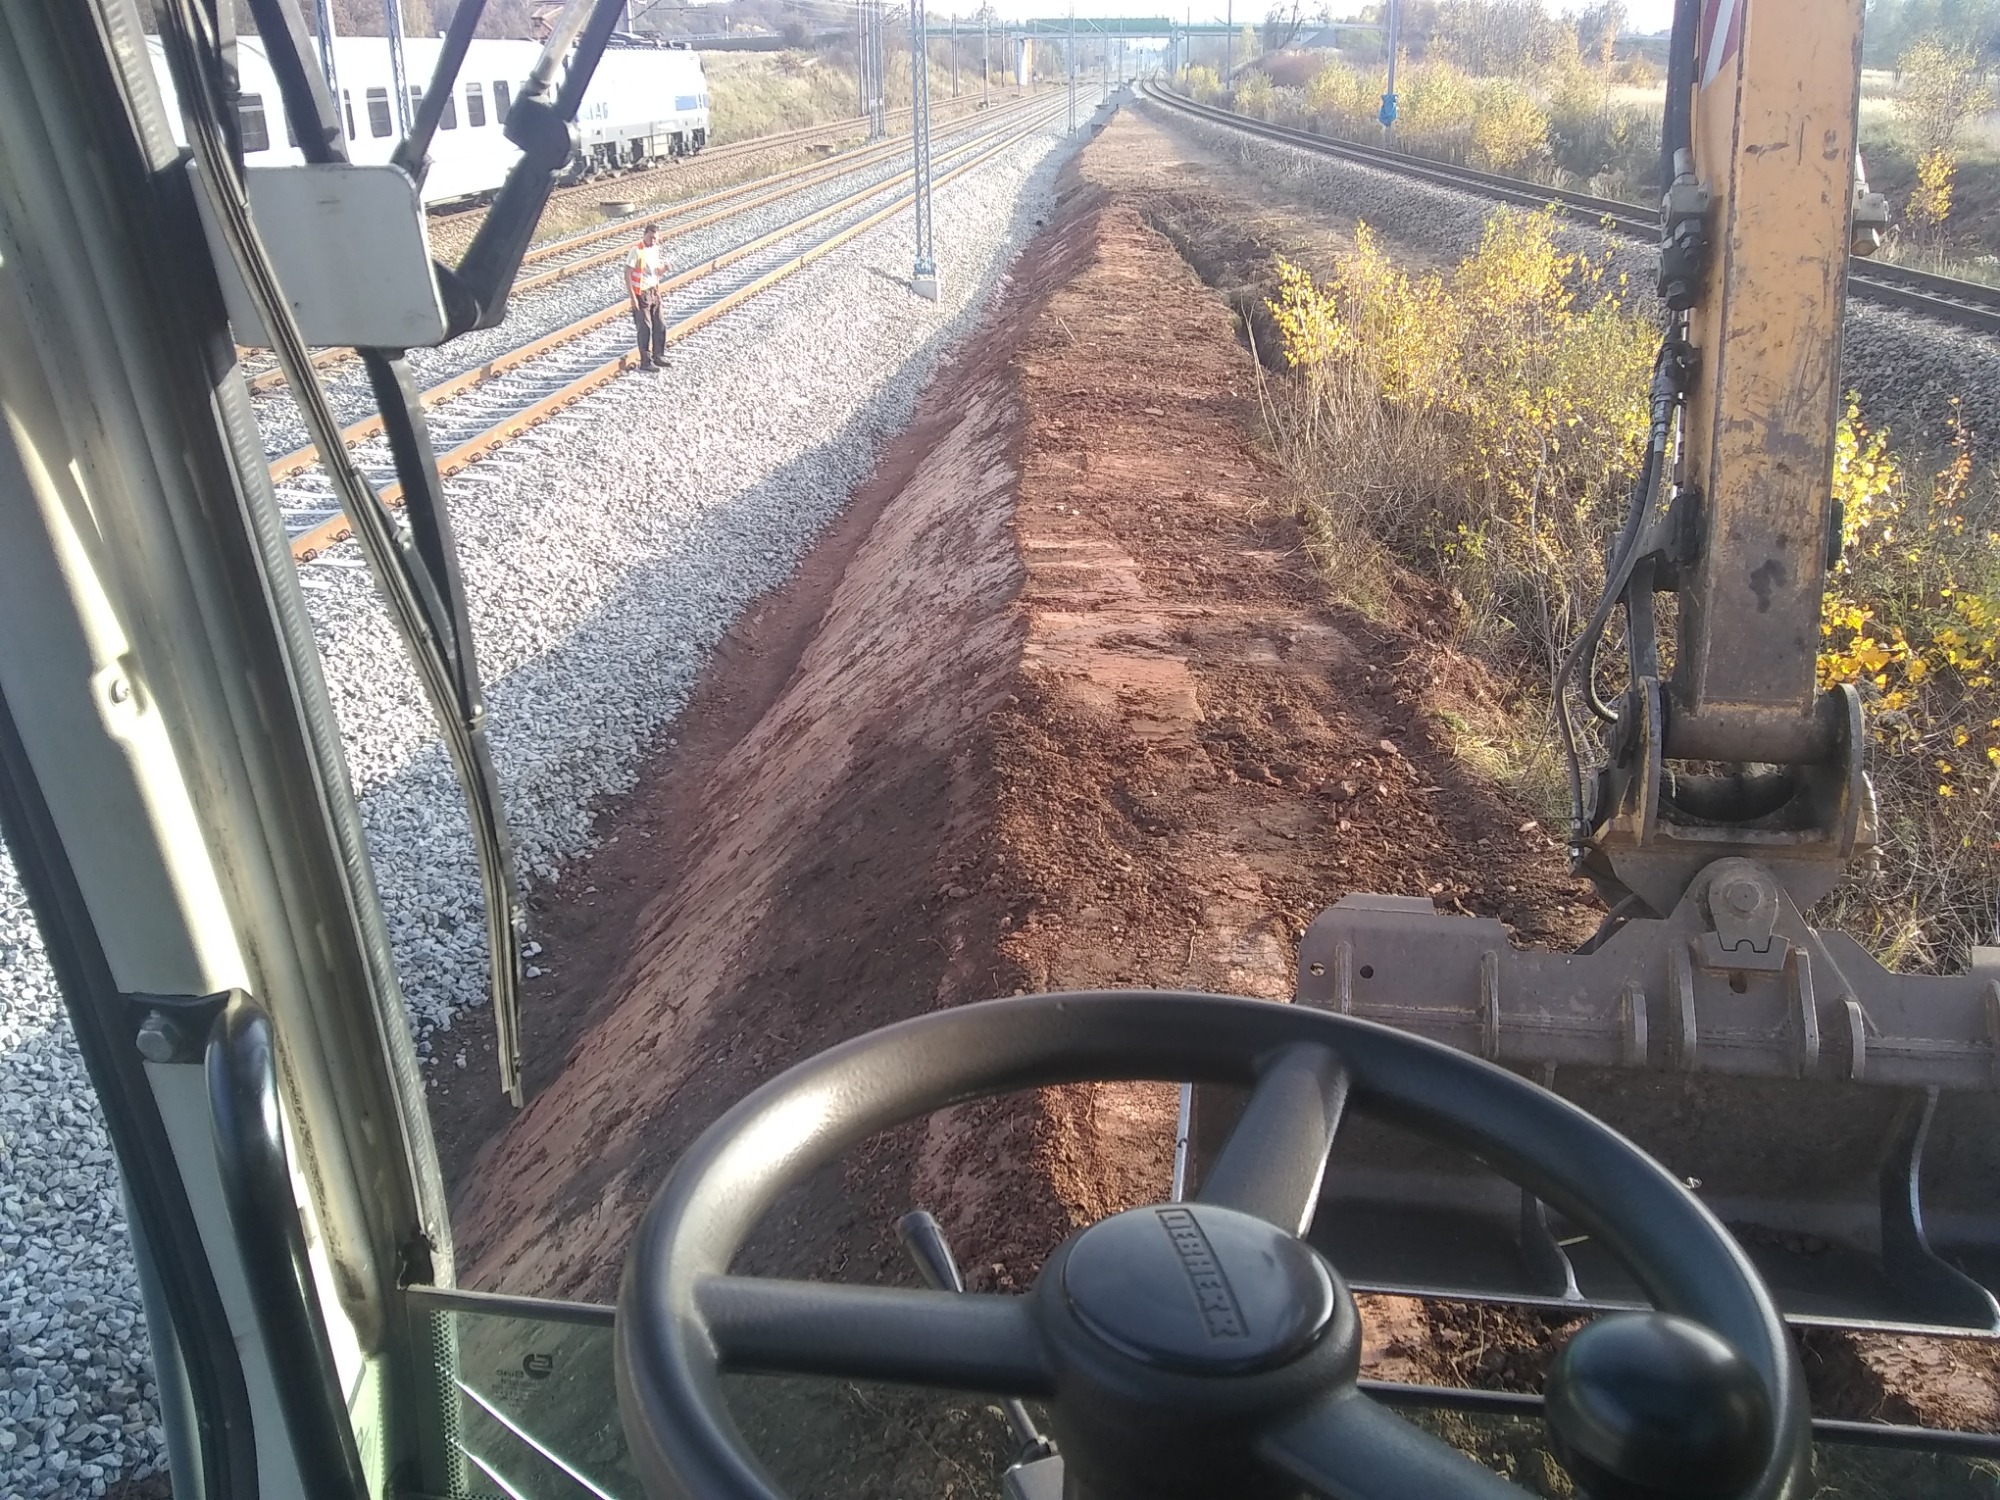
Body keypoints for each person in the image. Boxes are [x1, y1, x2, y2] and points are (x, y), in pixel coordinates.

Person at [625, 222, 670, 371]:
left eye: (656, 238)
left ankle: (659, 355)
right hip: (641, 294)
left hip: (653, 292)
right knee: (645, 328)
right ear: (645, 235)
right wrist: (632, 298)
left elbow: (655, 271)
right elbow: (627, 273)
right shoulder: (636, 251)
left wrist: (664, 269)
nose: (653, 241)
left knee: (660, 324)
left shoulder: (655, 249)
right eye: (651, 238)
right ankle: (645, 361)